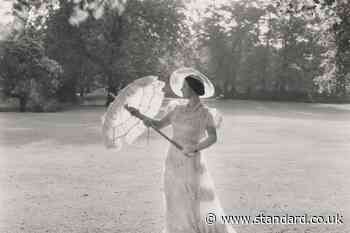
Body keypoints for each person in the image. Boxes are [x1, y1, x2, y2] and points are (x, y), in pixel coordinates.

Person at [127, 71, 237, 233]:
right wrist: (139, 115)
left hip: (191, 158)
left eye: (184, 86)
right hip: (173, 158)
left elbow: (213, 137)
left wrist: (195, 147)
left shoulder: (205, 113)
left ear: (192, 89)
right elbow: (157, 124)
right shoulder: (176, 109)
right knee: (174, 195)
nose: (182, 89)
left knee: (192, 195)